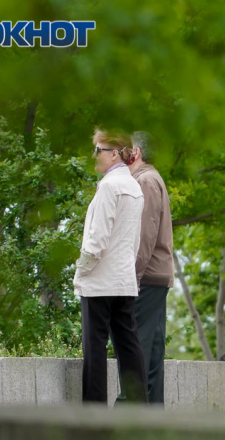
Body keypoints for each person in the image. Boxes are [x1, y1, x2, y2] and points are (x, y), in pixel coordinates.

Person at [74, 129, 148, 404]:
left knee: (94, 349)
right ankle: (139, 410)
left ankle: (93, 417)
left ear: (114, 153)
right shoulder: (134, 188)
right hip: (124, 281)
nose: (94, 156)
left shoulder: (108, 186)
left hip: (100, 281)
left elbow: (97, 240)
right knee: (129, 346)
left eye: (98, 150)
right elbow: (135, 241)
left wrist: (81, 271)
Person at [121, 130, 174, 405]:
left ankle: (126, 413)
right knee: (152, 352)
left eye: (126, 150)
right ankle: (151, 420)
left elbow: (144, 234)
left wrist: (133, 276)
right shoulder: (152, 178)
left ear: (137, 152)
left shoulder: (145, 181)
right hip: (156, 276)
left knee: (135, 348)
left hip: (146, 277)